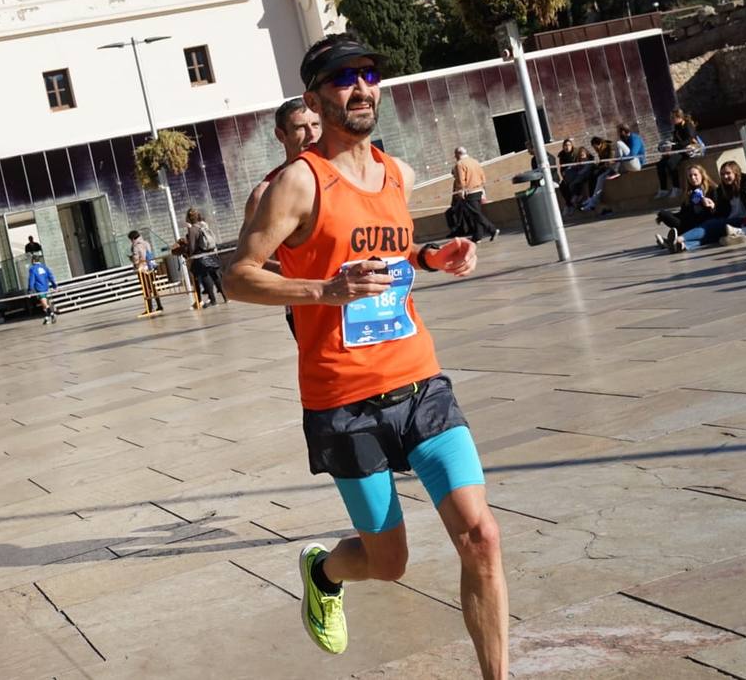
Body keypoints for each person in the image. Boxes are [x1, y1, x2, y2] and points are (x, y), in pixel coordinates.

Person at [224, 33, 507, 677]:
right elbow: (238, 277)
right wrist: (325, 290)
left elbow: (388, 258)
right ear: (315, 98)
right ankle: (323, 569)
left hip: (419, 382)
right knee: (389, 563)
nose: (361, 87)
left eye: (370, 74)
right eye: (345, 78)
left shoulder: (397, 172)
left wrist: (430, 257)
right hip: (343, 401)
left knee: (481, 537)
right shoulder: (297, 184)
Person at [242, 97, 323, 338]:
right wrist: (301, 274)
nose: (311, 134)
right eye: (300, 127)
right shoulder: (266, 194)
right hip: (308, 305)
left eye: (316, 125)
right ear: (281, 135)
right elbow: (245, 264)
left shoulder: (341, 173)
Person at [669, 160, 746, 253]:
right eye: (722, 174)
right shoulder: (722, 189)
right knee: (711, 235)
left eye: (728, 173)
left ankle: (679, 239)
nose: (725, 177)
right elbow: (720, 211)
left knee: (710, 224)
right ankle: (683, 245)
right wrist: (713, 207)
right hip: (729, 220)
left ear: (736, 173)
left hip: (744, 220)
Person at [654, 165, 716, 249]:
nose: (693, 178)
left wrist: (711, 206)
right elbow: (683, 213)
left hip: (704, 223)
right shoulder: (690, 193)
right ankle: (672, 241)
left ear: (702, 175)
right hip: (689, 222)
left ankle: (671, 242)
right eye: (690, 176)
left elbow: (717, 210)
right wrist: (665, 216)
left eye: (695, 175)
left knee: (685, 224)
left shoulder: (712, 190)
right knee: (665, 214)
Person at [449, 147, 499, 243]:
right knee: (476, 212)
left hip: (469, 192)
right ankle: (478, 236)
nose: (454, 157)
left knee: (475, 213)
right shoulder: (474, 161)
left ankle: (492, 229)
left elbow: (461, 180)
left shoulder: (460, 164)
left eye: (455, 155)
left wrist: (461, 191)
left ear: (458, 154)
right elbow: (482, 175)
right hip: (478, 189)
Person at [184, 207, 226, 308]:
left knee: (205, 277)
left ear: (189, 218)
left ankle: (213, 300)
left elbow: (192, 246)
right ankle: (226, 297)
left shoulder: (193, 229)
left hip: (201, 257)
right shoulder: (203, 226)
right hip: (210, 254)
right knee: (215, 276)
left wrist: (189, 253)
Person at [654, 108, 699, 199]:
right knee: (660, 164)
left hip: (687, 151)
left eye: (673, 117)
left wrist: (673, 147)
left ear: (679, 117)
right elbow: (676, 140)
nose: (671, 119)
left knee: (671, 163)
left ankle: (676, 188)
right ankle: (663, 189)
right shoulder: (676, 128)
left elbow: (689, 139)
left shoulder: (687, 125)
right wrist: (669, 147)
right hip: (679, 150)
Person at [128, 230, 164, 312]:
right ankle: (159, 305)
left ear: (133, 238)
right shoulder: (146, 243)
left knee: (146, 288)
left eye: (130, 239)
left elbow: (136, 259)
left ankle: (149, 308)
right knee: (153, 287)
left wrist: (132, 259)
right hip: (150, 267)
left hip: (142, 269)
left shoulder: (136, 246)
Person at [26, 254, 59, 324]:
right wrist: (54, 286)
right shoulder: (44, 267)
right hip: (46, 287)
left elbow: (31, 280)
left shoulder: (32, 269)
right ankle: (46, 318)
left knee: (44, 304)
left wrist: (30, 290)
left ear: (33, 260)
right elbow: (51, 276)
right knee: (44, 303)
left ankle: (52, 315)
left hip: (40, 288)